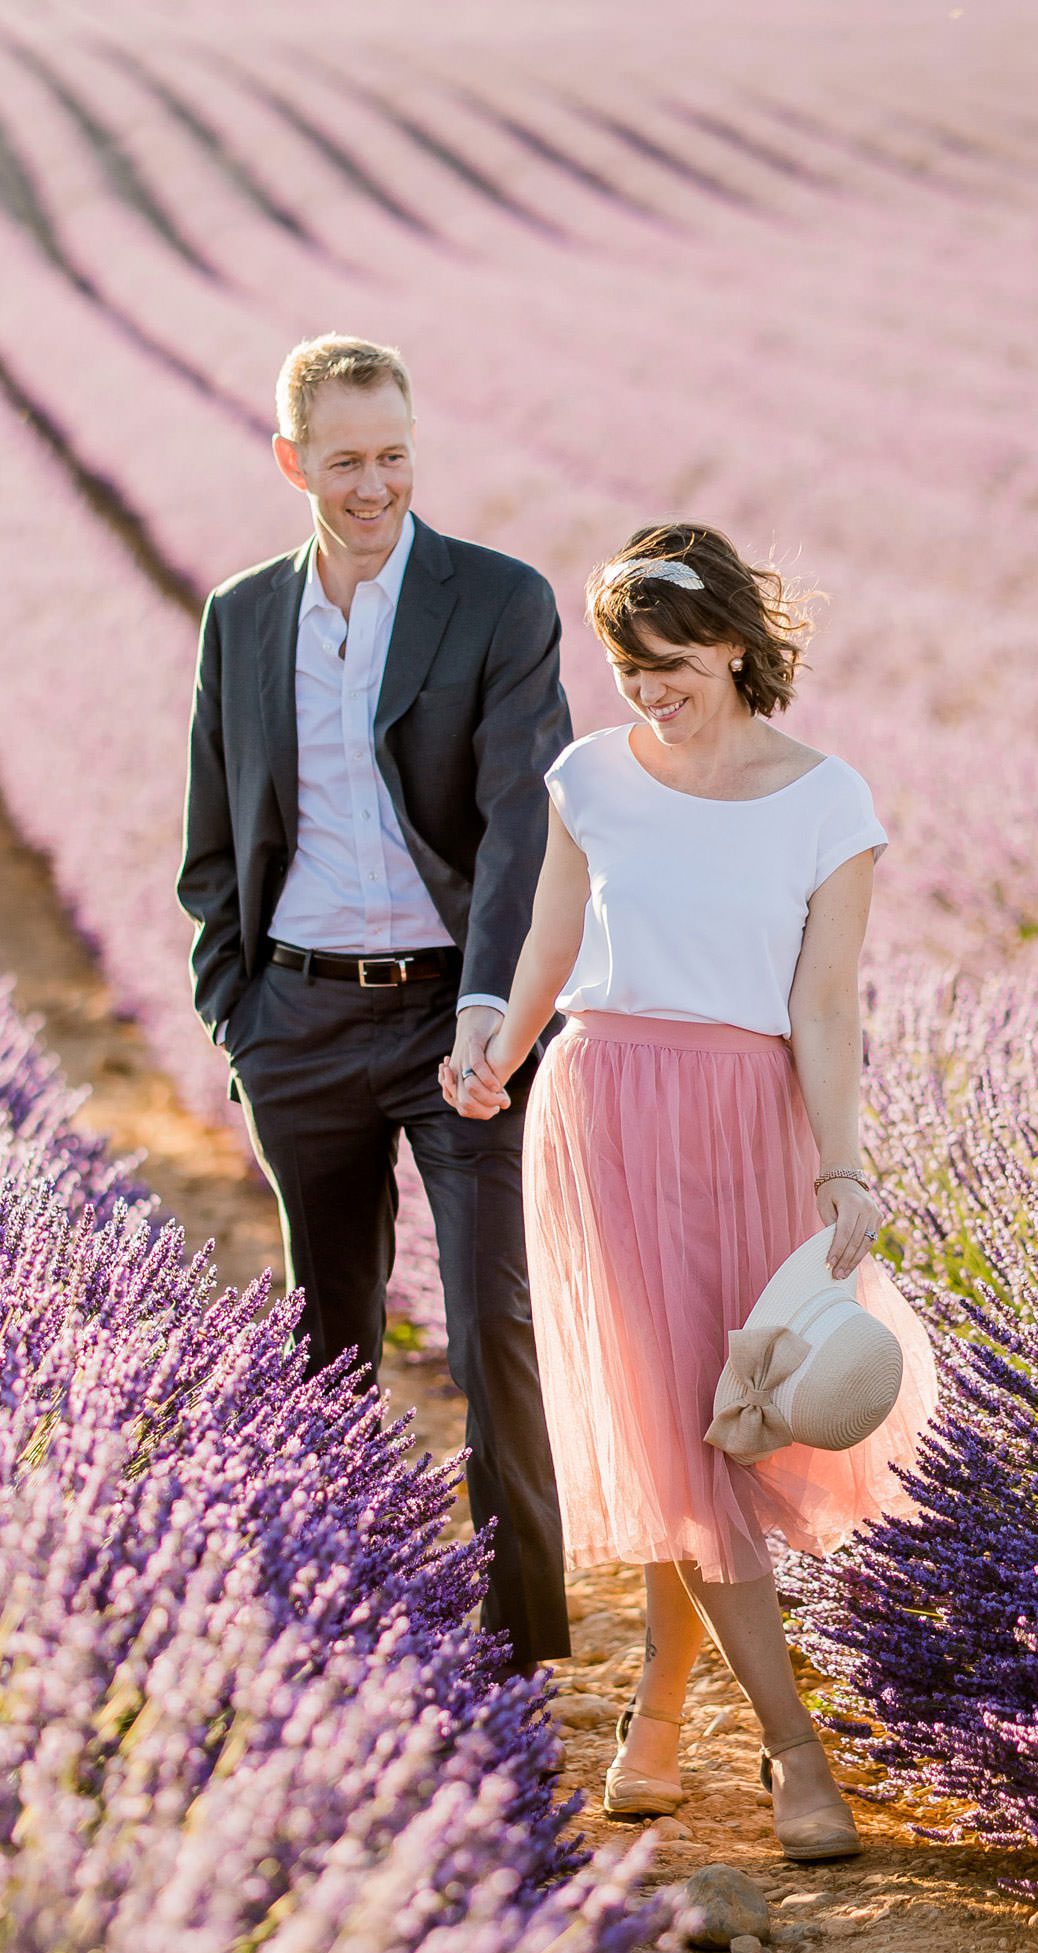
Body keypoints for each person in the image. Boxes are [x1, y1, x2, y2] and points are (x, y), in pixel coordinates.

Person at [442, 522, 937, 1855]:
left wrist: (841, 1167)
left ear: (729, 642)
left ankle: (655, 1707)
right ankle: (795, 1759)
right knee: (673, 1415)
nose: (646, 689)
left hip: (749, 1114)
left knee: (728, 1425)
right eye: (625, 667)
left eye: (665, 661)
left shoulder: (829, 800)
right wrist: (493, 1048)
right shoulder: (590, 776)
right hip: (602, 1104)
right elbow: (552, 935)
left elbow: (822, 1007)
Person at [177, 333, 573, 1674]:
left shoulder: (497, 601)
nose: (374, 485)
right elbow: (211, 843)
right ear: (292, 462)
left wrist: (490, 1007)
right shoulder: (241, 617)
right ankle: (344, 1621)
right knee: (323, 1325)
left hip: (457, 1022)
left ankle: (520, 1644)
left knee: (489, 1321)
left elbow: (525, 820)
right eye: (345, 461)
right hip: (296, 1019)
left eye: (393, 455)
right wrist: (238, 1015)